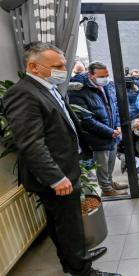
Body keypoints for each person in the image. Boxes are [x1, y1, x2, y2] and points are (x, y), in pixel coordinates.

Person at [3, 42, 119, 276]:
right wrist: (56, 178)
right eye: (56, 65)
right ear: (34, 67)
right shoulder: (23, 94)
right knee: (68, 224)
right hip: (56, 174)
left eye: (64, 64)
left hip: (65, 167)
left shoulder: (47, 87)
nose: (63, 69)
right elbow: (31, 143)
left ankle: (73, 258)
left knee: (62, 223)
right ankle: (82, 269)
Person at [69, 61, 127, 197]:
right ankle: (106, 189)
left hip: (113, 133)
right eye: (102, 76)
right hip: (98, 137)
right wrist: (109, 132)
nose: (105, 78)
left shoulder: (107, 86)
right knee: (103, 165)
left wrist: (117, 125)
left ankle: (110, 182)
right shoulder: (78, 91)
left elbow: (114, 108)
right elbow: (86, 120)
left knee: (111, 162)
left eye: (106, 75)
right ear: (90, 75)